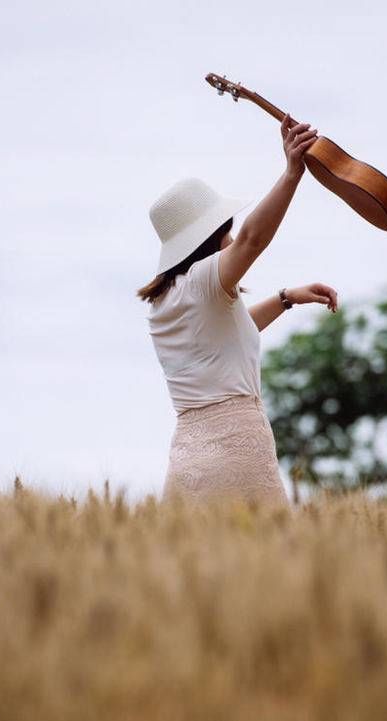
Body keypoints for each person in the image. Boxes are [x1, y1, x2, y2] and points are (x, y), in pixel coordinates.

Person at [139, 115, 337, 506]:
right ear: (210, 238)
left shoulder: (167, 298)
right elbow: (252, 239)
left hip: (187, 455)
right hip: (237, 449)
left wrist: (285, 298)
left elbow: (231, 335)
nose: (231, 238)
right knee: (267, 562)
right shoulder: (202, 280)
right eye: (224, 231)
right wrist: (292, 173)